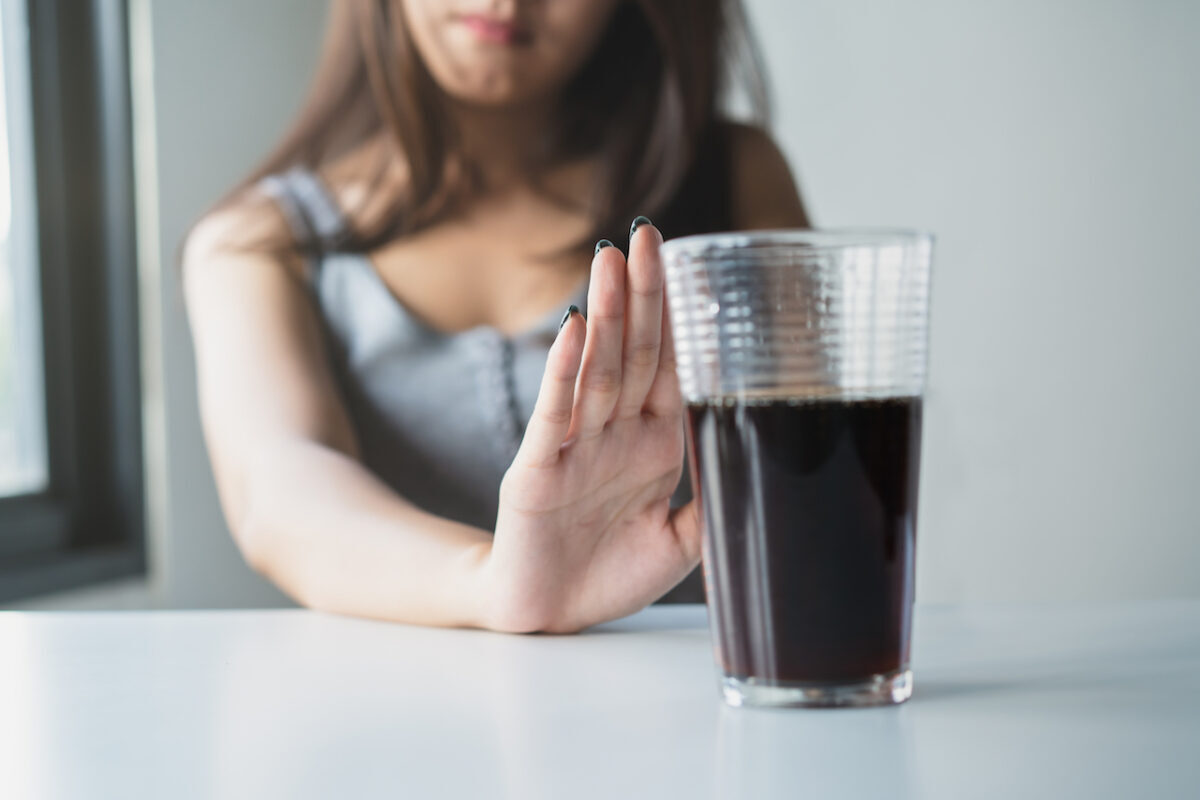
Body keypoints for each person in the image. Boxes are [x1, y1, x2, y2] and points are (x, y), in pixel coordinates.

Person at [183, 0, 808, 634]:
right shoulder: (258, 243)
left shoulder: (737, 182)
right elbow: (282, 490)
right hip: (401, 719)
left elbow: (812, 482)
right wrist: (499, 582)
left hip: (700, 714)